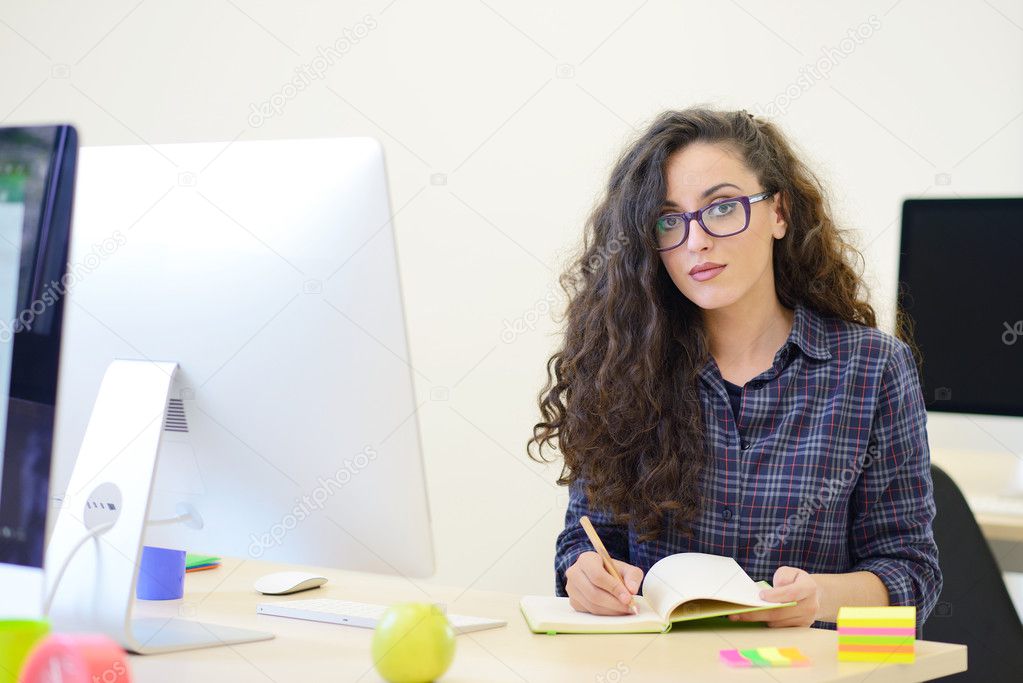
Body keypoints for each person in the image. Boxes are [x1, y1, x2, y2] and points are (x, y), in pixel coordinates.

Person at [528, 107, 940, 629]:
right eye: (669, 220)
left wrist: (819, 597)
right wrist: (585, 574)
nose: (696, 239)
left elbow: (910, 572)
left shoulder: (871, 368)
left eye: (722, 208)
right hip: (659, 668)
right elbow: (586, 542)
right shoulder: (622, 366)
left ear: (779, 213)